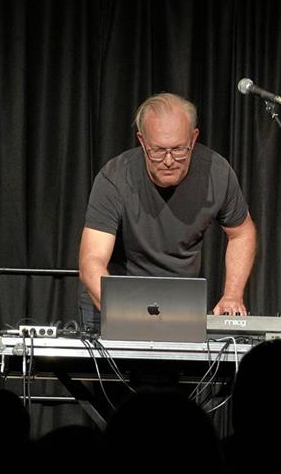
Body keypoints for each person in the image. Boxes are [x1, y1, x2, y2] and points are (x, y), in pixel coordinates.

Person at [78, 92, 257, 329]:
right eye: (158, 151)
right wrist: (127, 315)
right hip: (114, 302)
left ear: (193, 139)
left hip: (178, 305)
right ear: (142, 141)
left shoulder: (217, 172)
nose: (169, 160)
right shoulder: (114, 178)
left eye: (179, 149)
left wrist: (232, 295)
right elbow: (91, 262)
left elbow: (242, 233)